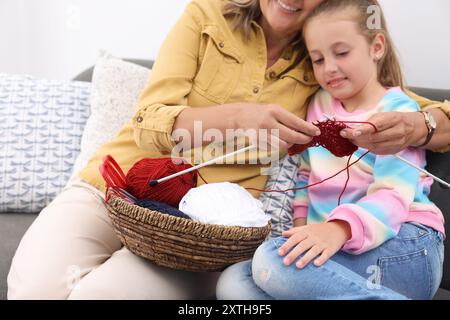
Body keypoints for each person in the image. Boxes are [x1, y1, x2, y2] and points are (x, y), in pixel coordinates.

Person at [7, 0, 450, 300]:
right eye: (323, 59)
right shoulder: (207, 16)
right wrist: (237, 117)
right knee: (33, 290)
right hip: (116, 188)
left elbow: (399, 111)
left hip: (206, 230)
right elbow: (148, 121)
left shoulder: (324, 56)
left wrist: (419, 126)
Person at [216, 0, 446, 300]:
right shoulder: (318, 106)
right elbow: (306, 177)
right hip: (341, 248)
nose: (330, 68)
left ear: (377, 47)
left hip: (408, 246)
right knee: (234, 282)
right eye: (318, 59)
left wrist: (337, 229)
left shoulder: (396, 111)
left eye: (342, 53)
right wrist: (301, 234)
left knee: (270, 261)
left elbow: (393, 198)